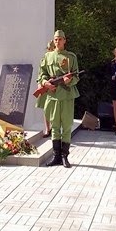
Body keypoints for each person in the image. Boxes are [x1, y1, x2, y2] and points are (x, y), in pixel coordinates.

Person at [38, 30, 80, 168]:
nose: (57, 41)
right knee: (55, 126)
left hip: (67, 95)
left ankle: (64, 157)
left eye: (60, 39)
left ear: (64, 40)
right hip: (53, 95)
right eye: (56, 39)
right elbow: (42, 74)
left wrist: (69, 81)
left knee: (66, 126)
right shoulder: (47, 56)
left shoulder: (71, 57)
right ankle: (56, 156)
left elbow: (76, 76)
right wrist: (45, 83)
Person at [35, 40, 55, 137]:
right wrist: (40, 84)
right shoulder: (44, 59)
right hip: (45, 86)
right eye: (49, 48)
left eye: (52, 48)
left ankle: (54, 128)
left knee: (55, 109)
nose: (50, 50)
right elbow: (40, 74)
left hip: (55, 86)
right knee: (46, 109)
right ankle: (47, 129)